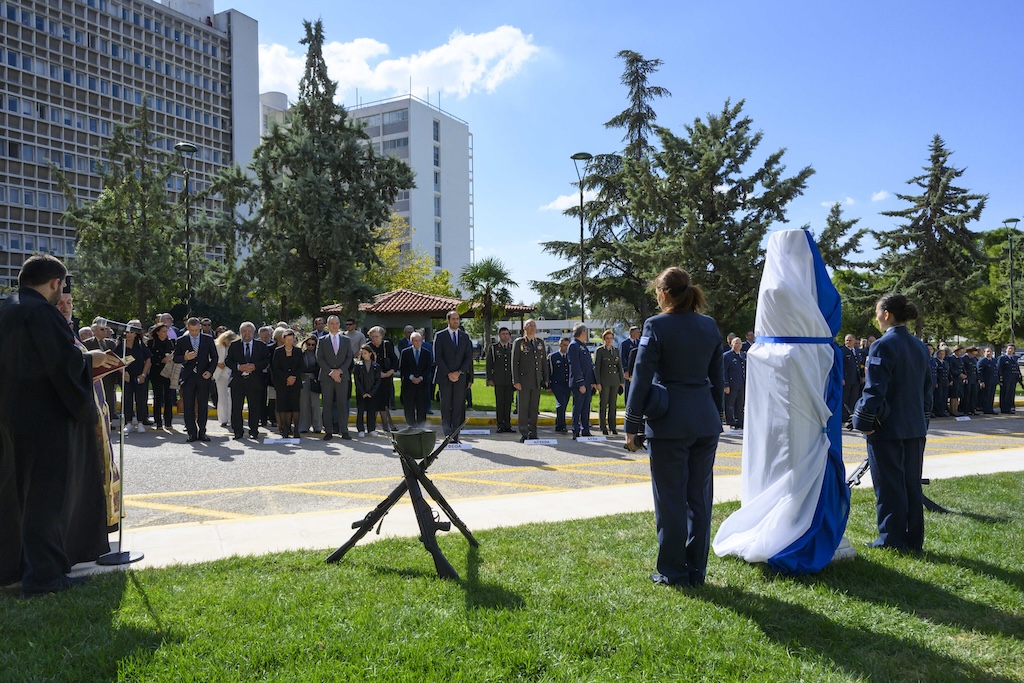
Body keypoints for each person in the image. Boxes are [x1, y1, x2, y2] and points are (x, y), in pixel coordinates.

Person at [0, 255, 120, 595]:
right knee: (45, 498)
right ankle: (43, 577)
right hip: (43, 420)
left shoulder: (6, 308)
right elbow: (60, 363)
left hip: (9, 417)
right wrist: (91, 359)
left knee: (15, 495)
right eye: (62, 286)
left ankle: (15, 566)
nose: (61, 293)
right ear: (55, 282)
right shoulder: (41, 313)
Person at [623, 267, 724, 587]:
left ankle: (673, 571)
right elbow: (718, 378)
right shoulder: (709, 326)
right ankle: (696, 570)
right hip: (705, 422)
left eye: (657, 291)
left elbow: (641, 376)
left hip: (669, 423)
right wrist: (715, 416)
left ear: (665, 293)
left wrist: (632, 423)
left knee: (670, 500)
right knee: (699, 500)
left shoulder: (656, 325)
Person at [851, 293, 932, 551]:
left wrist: (863, 421)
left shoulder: (882, 345)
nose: (876, 316)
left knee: (888, 486)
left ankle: (891, 540)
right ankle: (913, 539)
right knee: (911, 485)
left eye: (877, 312)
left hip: (886, 428)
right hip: (915, 427)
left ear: (887, 314)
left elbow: (874, 390)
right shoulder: (919, 346)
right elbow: (927, 390)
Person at [173, 316, 218, 443]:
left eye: (196, 330)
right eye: (191, 330)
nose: (194, 333)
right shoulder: (182, 340)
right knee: (189, 406)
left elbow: (214, 357)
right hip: (188, 377)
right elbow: (176, 358)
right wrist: (185, 358)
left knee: (203, 405)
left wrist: (210, 372)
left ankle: (202, 431)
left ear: (200, 328)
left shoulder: (208, 339)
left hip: (203, 377)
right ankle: (191, 432)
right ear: (188, 328)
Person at [225, 322, 271, 440]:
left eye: (249, 331)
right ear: (240, 333)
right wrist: (238, 367)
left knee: (254, 407)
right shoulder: (234, 345)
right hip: (238, 381)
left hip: (255, 381)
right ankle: (238, 431)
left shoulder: (260, 345)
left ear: (253, 333)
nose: (247, 334)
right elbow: (228, 360)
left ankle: (253, 431)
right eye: (244, 331)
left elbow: (266, 360)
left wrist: (255, 366)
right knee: (236, 407)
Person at [433, 311, 473, 441]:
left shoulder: (464, 337)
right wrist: (449, 373)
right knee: (445, 406)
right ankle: (447, 434)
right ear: (448, 321)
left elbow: (468, 357)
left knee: (458, 406)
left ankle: (455, 435)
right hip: (445, 377)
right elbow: (437, 357)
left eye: (458, 319)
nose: (456, 321)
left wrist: (459, 372)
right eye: (453, 319)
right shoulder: (440, 336)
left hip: (460, 377)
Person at [317, 315, 354, 440]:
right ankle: (328, 430)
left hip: (342, 377)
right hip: (327, 377)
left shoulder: (346, 340)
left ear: (339, 325)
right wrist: (331, 372)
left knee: (342, 404)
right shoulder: (322, 340)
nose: (334, 326)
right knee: (327, 404)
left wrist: (340, 371)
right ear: (327, 325)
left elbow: (349, 357)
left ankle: (344, 430)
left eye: (337, 323)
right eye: (332, 323)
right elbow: (320, 358)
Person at [512, 319, 549, 442]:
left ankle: (533, 431)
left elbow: (544, 363)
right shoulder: (520, 342)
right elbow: (514, 363)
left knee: (534, 407)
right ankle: (524, 432)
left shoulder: (540, 343)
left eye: (534, 325)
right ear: (524, 328)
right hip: (523, 381)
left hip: (536, 380)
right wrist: (516, 380)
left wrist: (546, 378)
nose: (532, 327)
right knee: (523, 408)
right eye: (530, 325)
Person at [116, 320, 152, 434]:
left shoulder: (140, 346)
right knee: (127, 399)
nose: (129, 335)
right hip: (126, 377)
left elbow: (148, 360)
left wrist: (143, 374)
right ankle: (129, 423)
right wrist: (123, 372)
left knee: (141, 399)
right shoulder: (121, 347)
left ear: (136, 334)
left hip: (139, 376)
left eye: (132, 332)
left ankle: (140, 422)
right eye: (127, 332)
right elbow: (116, 360)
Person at [567, 323, 598, 439]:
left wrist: (593, 382)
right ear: (583, 332)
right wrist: (580, 383)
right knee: (578, 407)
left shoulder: (583, 346)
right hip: (579, 383)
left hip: (587, 382)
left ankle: (586, 429)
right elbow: (575, 366)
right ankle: (576, 429)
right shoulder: (574, 345)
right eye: (586, 332)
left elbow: (589, 366)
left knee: (586, 407)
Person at [271, 329, 303, 438]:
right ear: (283, 339)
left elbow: (301, 366)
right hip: (281, 382)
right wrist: (286, 377)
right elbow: (275, 368)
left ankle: (296, 429)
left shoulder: (298, 351)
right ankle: (284, 429)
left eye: (292, 339)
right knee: (282, 406)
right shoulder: (278, 351)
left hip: (295, 382)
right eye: (288, 339)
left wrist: (293, 377)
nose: (290, 342)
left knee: (295, 406)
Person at [148, 322, 178, 430]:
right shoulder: (152, 343)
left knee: (168, 397)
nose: (165, 333)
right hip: (156, 372)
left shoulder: (170, 343)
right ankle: (158, 421)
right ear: (158, 332)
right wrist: (160, 359)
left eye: (166, 331)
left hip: (168, 372)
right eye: (163, 331)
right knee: (158, 397)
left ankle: (168, 421)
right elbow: (149, 357)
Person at [400, 332, 432, 428]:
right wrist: (411, 377)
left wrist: (421, 378)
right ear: (411, 341)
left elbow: (428, 368)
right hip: (409, 384)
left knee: (421, 405)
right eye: (415, 341)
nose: (418, 343)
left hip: (422, 384)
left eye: (419, 341)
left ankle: (421, 426)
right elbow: (403, 368)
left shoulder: (426, 353)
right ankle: (411, 425)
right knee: (409, 406)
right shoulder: (405, 352)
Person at [486, 327, 515, 433]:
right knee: (500, 403)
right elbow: (489, 364)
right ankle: (500, 425)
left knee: (508, 403)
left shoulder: (513, 347)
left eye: (507, 334)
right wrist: (489, 379)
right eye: (503, 334)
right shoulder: (494, 348)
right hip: (498, 379)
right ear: (499, 335)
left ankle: (508, 424)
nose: (505, 336)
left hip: (510, 380)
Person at [595, 329, 624, 435]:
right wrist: (598, 382)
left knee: (613, 404)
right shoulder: (600, 351)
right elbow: (597, 368)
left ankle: (613, 426)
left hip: (614, 380)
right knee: (603, 404)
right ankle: (603, 427)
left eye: (611, 338)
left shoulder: (616, 350)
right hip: (604, 381)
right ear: (604, 339)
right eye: (607, 338)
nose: (609, 340)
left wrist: (621, 381)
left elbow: (619, 366)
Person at [354, 344, 383, 435]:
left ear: (370, 353)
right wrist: (362, 392)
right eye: (362, 353)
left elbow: (378, 380)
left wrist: (371, 392)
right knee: (361, 411)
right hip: (361, 393)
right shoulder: (358, 365)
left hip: (372, 393)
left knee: (371, 411)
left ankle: (371, 429)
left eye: (365, 353)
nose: (363, 355)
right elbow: (357, 380)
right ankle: (361, 429)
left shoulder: (376, 366)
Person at [298, 335, 324, 434]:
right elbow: (300, 366)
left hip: (314, 380)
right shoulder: (302, 354)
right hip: (303, 379)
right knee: (304, 404)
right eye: (308, 344)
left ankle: (317, 426)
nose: (311, 346)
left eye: (313, 344)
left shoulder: (319, 355)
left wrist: (310, 370)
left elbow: (318, 367)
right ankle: (304, 426)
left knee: (315, 404)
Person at [212, 330, 238, 428]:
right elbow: (211, 358)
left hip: (231, 373)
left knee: (231, 397)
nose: (229, 342)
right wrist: (218, 364)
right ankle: (223, 419)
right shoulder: (217, 346)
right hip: (220, 373)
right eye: (228, 340)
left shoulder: (235, 347)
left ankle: (232, 418)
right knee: (222, 397)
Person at [722, 336, 746, 429]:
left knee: (740, 403)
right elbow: (724, 371)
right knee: (730, 404)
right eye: (736, 343)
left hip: (741, 383)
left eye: (740, 343)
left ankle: (739, 421)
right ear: (732, 344)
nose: (738, 345)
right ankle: (731, 421)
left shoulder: (742, 355)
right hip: (732, 384)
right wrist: (726, 384)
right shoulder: (727, 356)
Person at [548, 338, 571, 433]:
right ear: (560, 345)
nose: (566, 347)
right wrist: (548, 385)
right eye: (564, 345)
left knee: (564, 404)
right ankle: (562, 425)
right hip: (557, 384)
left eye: (567, 345)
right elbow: (549, 371)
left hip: (567, 384)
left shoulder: (570, 356)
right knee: (560, 403)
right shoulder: (553, 356)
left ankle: (558, 423)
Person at [840, 334, 862, 422]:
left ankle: (852, 417)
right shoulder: (842, 351)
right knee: (845, 399)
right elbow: (840, 366)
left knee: (854, 399)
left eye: (850, 340)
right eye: (847, 340)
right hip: (846, 379)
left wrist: (862, 376)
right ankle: (844, 418)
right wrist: (841, 378)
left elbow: (859, 365)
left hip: (855, 379)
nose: (848, 342)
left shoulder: (856, 351)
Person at [997, 343, 1022, 415]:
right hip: (1005, 379)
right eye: (1009, 348)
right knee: (1005, 393)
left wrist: (1019, 376)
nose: (1010, 350)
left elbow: (1016, 368)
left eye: (1012, 349)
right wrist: (1000, 379)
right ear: (1006, 349)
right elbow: (999, 369)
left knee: (1011, 393)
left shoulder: (1014, 358)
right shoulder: (1002, 358)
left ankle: (1009, 407)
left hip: (1013, 379)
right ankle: (1004, 408)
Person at [620, 326, 641, 401]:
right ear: (632, 333)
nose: (639, 334)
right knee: (628, 389)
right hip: (629, 371)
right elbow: (622, 357)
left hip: (638, 370)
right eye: (637, 332)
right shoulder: (625, 344)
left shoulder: (639, 343)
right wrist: (625, 370)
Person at [979, 346, 998, 414]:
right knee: (986, 396)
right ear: (984, 353)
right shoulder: (982, 361)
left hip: (993, 381)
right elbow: (979, 372)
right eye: (987, 351)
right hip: (986, 381)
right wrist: (981, 381)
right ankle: (986, 409)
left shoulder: (994, 360)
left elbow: (996, 370)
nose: (989, 353)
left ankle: (990, 408)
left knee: (991, 396)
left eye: (990, 351)